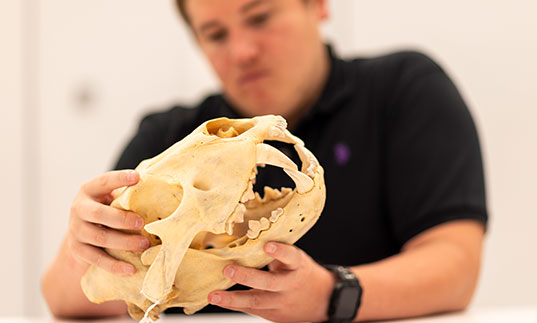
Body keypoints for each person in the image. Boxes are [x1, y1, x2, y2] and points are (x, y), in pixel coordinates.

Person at [41, 0, 488, 322]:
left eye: (260, 17)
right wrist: (88, 241)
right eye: (215, 34)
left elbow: (455, 267)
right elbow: (65, 298)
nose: (242, 52)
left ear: (318, 5)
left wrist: (331, 296)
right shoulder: (167, 137)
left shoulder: (404, 92)